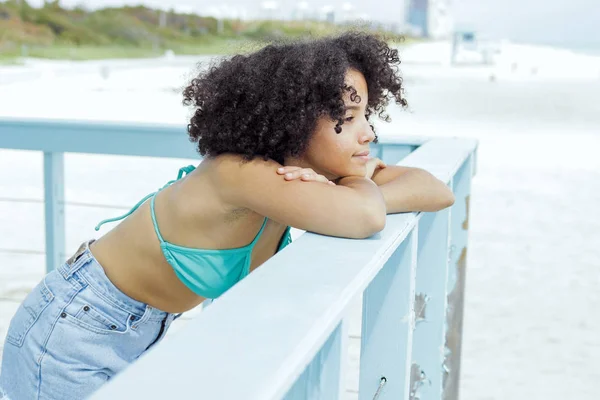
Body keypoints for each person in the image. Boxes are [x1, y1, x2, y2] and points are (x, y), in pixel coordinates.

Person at [0, 31, 454, 399]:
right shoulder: (242, 176)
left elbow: (436, 190)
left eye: (367, 114)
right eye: (348, 117)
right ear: (294, 118)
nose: (369, 131)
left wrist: (352, 187)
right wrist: (359, 185)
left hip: (136, 331)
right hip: (75, 331)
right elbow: (366, 218)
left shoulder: (297, 181)